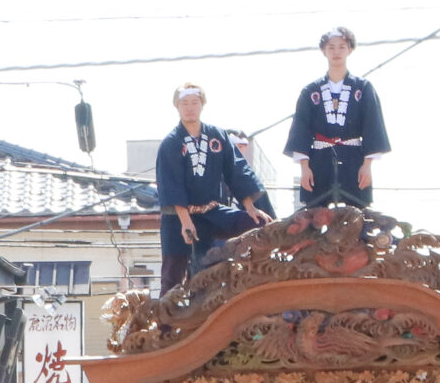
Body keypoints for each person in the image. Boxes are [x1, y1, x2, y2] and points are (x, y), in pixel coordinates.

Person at [154, 83, 266, 287]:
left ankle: (249, 277)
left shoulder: (218, 136)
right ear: (177, 107)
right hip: (178, 217)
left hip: (211, 211)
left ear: (202, 105)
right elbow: (171, 184)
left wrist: (250, 207)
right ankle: (167, 318)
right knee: (173, 275)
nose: (189, 107)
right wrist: (186, 222)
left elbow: (236, 169)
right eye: (184, 103)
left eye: (194, 102)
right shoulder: (170, 143)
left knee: (259, 224)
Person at [284, 27, 391, 208]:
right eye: (331, 47)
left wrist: (367, 166)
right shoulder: (311, 91)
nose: (336, 52)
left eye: (341, 47)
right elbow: (301, 130)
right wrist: (304, 168)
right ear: (324, 51)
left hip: (353, 159)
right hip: (319, 159)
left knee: (359, 216)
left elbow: (373, 126)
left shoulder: (363, 88)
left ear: (350, 49)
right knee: (314, 217)